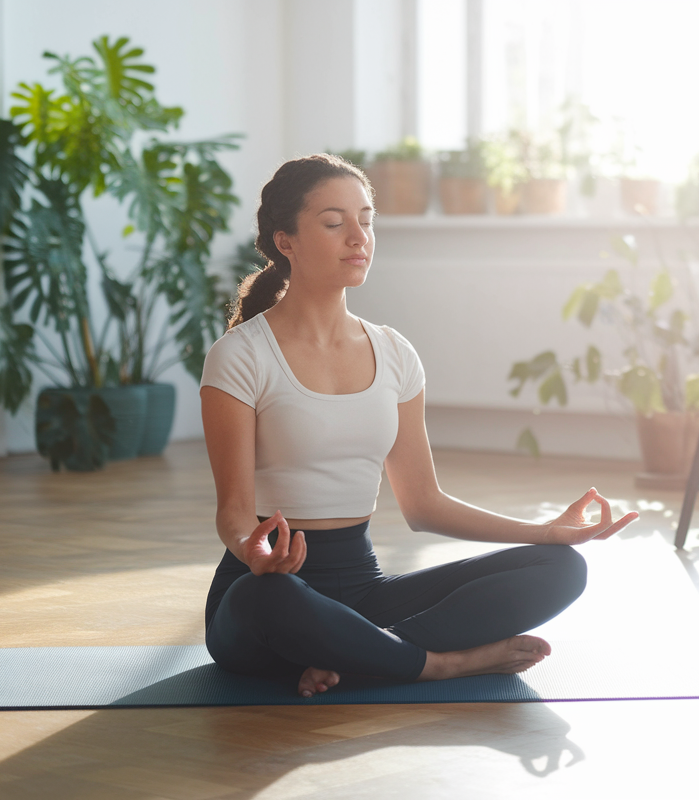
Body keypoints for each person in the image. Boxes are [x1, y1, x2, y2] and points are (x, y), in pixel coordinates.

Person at [200, 154, 638, 698]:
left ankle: (360, 652)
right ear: (285, 241)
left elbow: (424, 504)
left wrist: (548, 532)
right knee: (262, 599)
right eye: (335, 223)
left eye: (367, 220)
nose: (358, 237)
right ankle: (439, 664)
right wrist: (256, 554)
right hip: (272, 590)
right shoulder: (240, 356)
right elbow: (236, 516)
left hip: (362, 590)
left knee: (561, 568)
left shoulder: (394, 353)